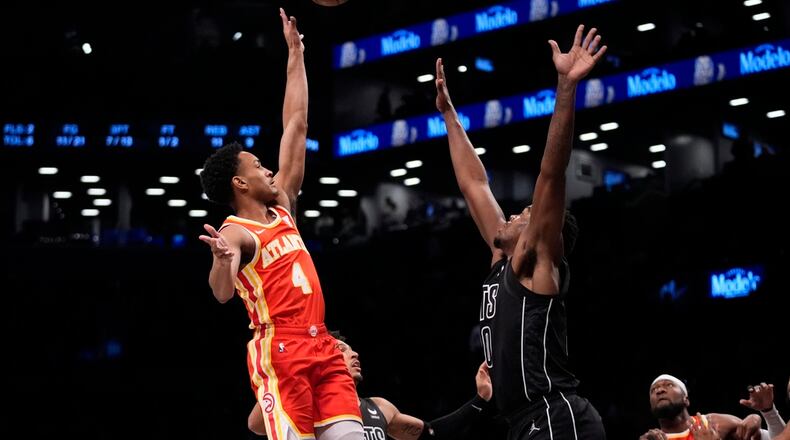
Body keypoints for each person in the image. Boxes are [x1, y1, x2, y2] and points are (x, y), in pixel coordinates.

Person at [435, 25, 607, 439]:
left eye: (524, 214)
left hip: (555, 413)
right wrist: (449, 115)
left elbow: (551, 172)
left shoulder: (535, 260)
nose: (512, 215)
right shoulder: (504, 259)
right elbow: (474, 185)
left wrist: (566, 87)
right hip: (522, 421)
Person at [198, 9, 362, 440]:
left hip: (323, 344)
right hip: (281, 349)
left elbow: (296, 123)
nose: (268, 169)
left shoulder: (283, 205)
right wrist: (222, 261)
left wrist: (295, 54)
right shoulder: (235, 232)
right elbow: (221, 293)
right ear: (239, 183)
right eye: (257, 166)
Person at [248, 332, 494, 440]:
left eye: (352, 349)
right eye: (342, 350)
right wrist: (295, 369)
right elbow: (256, 424)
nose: (354, 354)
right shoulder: (311, 406)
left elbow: (431, 433)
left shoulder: (380, 407)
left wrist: (480, 400)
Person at [639, 374, 766, 440]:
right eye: (653, 390)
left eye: (669, 385)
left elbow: (767, 436)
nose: (659, 390)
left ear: (686, 399)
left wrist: (756, 421)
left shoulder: (714, 424)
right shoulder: (650, 439)